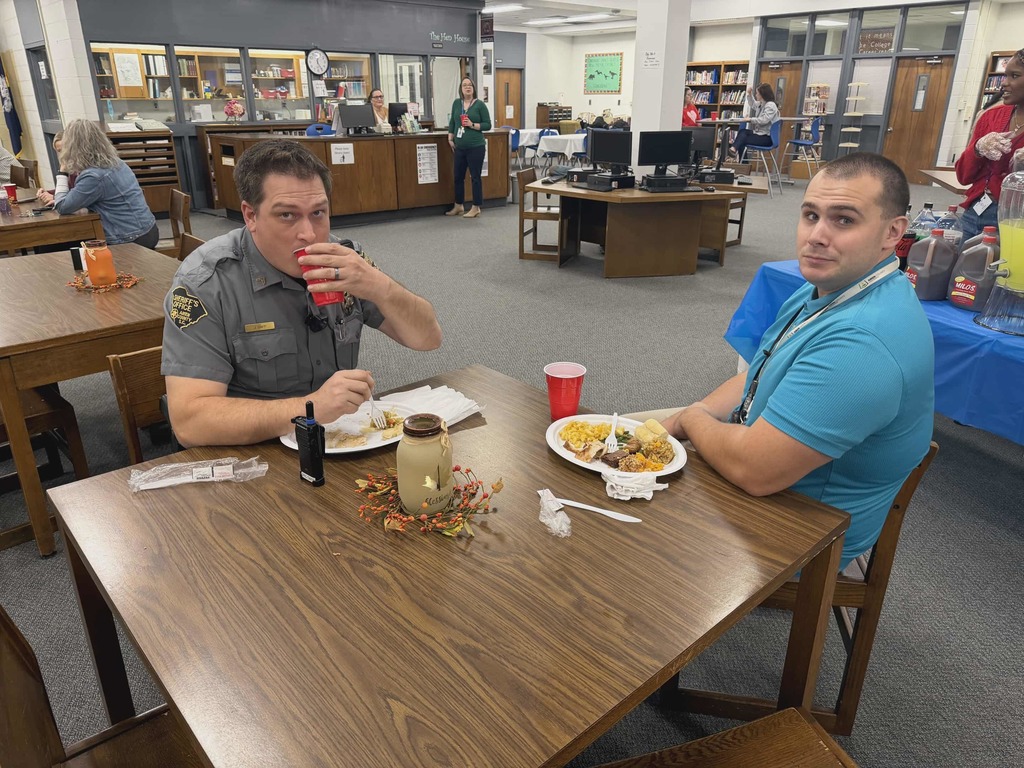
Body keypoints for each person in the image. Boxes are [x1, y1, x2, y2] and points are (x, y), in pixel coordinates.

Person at [657, 153, 934, 570]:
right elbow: (760, 371)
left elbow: (754, 470)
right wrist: (690, 416)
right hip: (764, 473)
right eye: (810, 215)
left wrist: (691, 420)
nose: (816, 236)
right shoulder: (832, 287)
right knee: (608, 442)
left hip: (798, 532)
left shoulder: (862, 343)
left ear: (892, 232)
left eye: (844, 220)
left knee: (609, 526)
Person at [161, 139, 442, 448]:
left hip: (339, 441)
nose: (309, 234)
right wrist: (310, 408)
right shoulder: (206, 283)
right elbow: (189, 423)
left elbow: (427, 338)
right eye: (287, 215)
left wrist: (380, 285)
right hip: (254, 453)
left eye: (318, 212)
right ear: (250, 216)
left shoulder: (345, 261)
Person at [47, 119, 158, 247]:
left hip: (131, 239)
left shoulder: (93, 176)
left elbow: (62, 206)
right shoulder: (117, 162)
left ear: (72, 147)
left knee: (55, 244)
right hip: (148, 230)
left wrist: (62, 172)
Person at [955, 47, 1024, 240]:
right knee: (963, 260)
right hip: (974, 211)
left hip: (1014, 222)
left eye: (1014, 76)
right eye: (1005, 75)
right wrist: (978, 149)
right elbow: (963, 176)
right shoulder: (991, 117)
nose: (1004, 83)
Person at [445, 76, 491, 219]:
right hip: (459, 147)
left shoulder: (480, 105)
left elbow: (487, 125)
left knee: (475, 177)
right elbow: (453, 121)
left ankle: (476, 207)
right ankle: (459, 205)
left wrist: (472, 125)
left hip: (476, 146)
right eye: (464, 85)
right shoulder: (456, 103)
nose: (467, 87)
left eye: (470, 85)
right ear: (461, 89)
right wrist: (450, 137)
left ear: (473, 88)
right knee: (458, 177)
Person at [730, 83, 780, 160]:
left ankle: (737, 154)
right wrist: (749, 94)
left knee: (741, 140)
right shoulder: (762, 103)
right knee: (742, 132)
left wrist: (750, 119)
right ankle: (735, 151)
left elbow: (764, 120)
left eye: (757, 93)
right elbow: (752, 104)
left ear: (762, 95)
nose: (756, 95)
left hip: (767, 138)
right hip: (760, 134)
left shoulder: (770, 105)